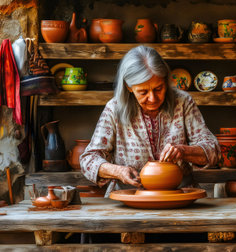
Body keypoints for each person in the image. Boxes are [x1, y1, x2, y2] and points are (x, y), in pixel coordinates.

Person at [80, 45, 220, 196]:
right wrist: (118, 171)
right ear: (129, 87)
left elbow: (214, 151)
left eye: (158, 88)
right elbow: (88, 160)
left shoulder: (183, 102)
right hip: (129, 196)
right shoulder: (115, 109)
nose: (153, 98)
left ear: (166, 81)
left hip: (178, 194)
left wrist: (183, 151)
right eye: (143, 92)